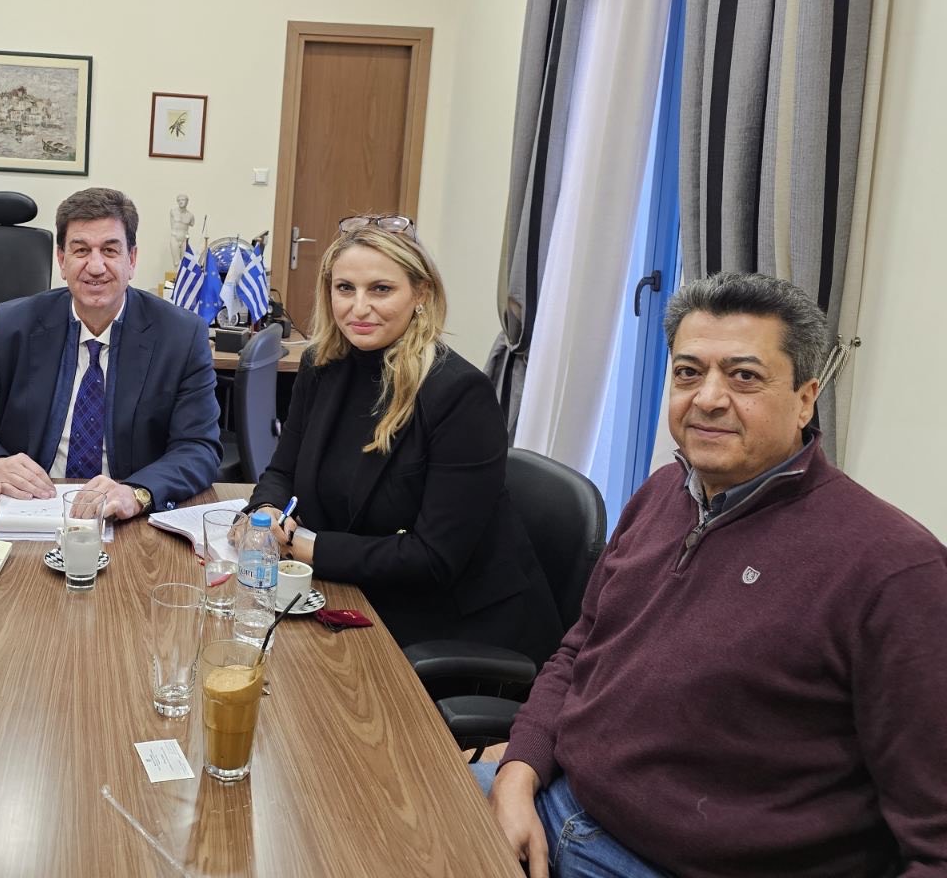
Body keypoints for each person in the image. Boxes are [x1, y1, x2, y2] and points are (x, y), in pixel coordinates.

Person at [480, 272, 947, 878]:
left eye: (744, 376)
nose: (707, 398)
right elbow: (579, 651)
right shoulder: (662, 493)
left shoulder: (894, 570)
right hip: (553, 802)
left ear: (806, 399)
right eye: (688, 372)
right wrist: (518, 772)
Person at [246, 215, 558, 661]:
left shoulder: (457, 393)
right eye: (345, 288)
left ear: (421, 293)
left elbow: (433, 557)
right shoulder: (321, 365)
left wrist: (302, 546)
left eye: (381, 289)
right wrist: (267, 513)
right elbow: (283, 469)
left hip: (450, 628)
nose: (358, 308)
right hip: (357, 593)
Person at [0, 186, 220, 517]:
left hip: (127, 516)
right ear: (62, 260)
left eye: (110, 250)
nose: (96, 266)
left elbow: (199, 448)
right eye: (81, 250)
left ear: (132, 260)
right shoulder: (13, 324)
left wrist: (138, 492)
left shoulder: (181, 336)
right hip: (27, 508)